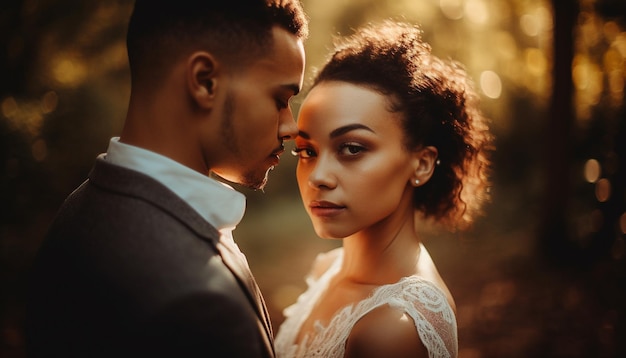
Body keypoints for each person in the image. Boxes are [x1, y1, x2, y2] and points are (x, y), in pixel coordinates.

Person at [25, 1, 308, 357]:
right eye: (280, 99)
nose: (291, 126)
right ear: (205, 81)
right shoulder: (200, 303)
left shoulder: (80, 207)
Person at [274, 21, 492, 358]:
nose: (318, 176)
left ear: (421, 164)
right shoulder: (327, 269)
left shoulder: (394, 329)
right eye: (307, 151)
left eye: (352, 148)